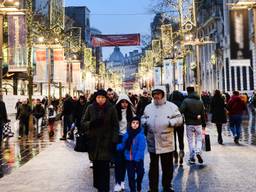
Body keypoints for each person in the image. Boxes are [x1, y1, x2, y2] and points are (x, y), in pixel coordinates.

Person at [141, 86, 183, 192]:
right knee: (153, 167)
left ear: (163, 94)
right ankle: (153, 187)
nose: (157, 96)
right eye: (154, 94)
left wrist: (170, 122)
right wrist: (144, 122)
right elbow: (143, 117)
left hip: (166, 141)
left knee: (167, 167)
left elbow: (179, 118)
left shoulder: (171, 106)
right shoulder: (148, 107)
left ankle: (167, 186)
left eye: (159, 94)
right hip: (153, 141)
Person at [81, 89, 119, 192]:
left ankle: (104, 189)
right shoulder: (90, 108)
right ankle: (99, 187)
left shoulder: (111, 108)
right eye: (98, 97)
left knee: (104, 169)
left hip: (106, 143)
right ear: (96, 98)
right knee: (96, 169)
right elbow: (83, 123)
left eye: (102, 97)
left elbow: (116, 125)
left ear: (106, 98)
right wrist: (92, 123)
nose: (100, 100)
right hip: (93, 143)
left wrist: (114, 140)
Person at [117, 116, 146, 192]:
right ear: (130, 124)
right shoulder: (126, 134)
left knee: (140, 174)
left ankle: (139, 184)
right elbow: (123, 145)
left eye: (137, 123)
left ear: (139, 124)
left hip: (138, 160)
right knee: (131, 176)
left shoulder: (141, 135)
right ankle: (133, 190)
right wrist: (115, 147)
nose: (135, 124)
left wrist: (136, 159)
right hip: (128, 160)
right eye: (133, 123)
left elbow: (141, 149)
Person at [114, 94, 135, 192]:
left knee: (126, 162)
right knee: (118, 162)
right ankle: (118, 183)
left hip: (128, 139)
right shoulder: (115, 113)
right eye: (122, 102)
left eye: (126, 102)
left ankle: (122, 181)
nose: (124, 104)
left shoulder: (131, 113)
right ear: (119, 102)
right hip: (118, 139)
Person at [180, 86, 206, 164]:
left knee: (190, 141)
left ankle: (192, 157)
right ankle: (198, 151)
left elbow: (181, 111)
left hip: (189, 124)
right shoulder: (200, 101)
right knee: (199, 139)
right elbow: (203, 113)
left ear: (188, 92)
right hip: (198, 124)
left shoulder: (186, 101)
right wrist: (204, 124)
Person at [168, 90, 185, 165]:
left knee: (173, 139)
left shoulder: (169, 104)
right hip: (180, 122)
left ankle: (175, 154)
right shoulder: (182, 103)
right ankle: (181, 151)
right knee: (181, 138)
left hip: (172, 123)